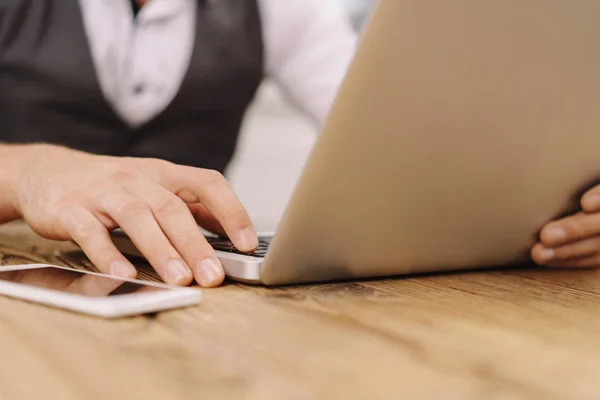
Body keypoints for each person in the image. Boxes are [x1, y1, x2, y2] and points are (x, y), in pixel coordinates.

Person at [0, 1, 596, 289]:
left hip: (191, 296)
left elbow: (406, 133)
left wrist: (562, 195)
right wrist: (30, 172)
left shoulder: (280, 6)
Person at [0, 0, 357, 288]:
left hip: (200, 286)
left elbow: (383, 123)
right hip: (29, 272)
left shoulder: (283, 8)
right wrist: (27, 174)